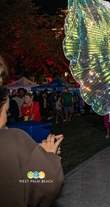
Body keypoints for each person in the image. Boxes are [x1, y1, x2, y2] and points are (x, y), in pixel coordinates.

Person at [0, 61, 65, 206]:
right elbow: (44, 184)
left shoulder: (34, 106)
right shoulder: (13, 140)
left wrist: (38, 153)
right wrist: (49, 157)